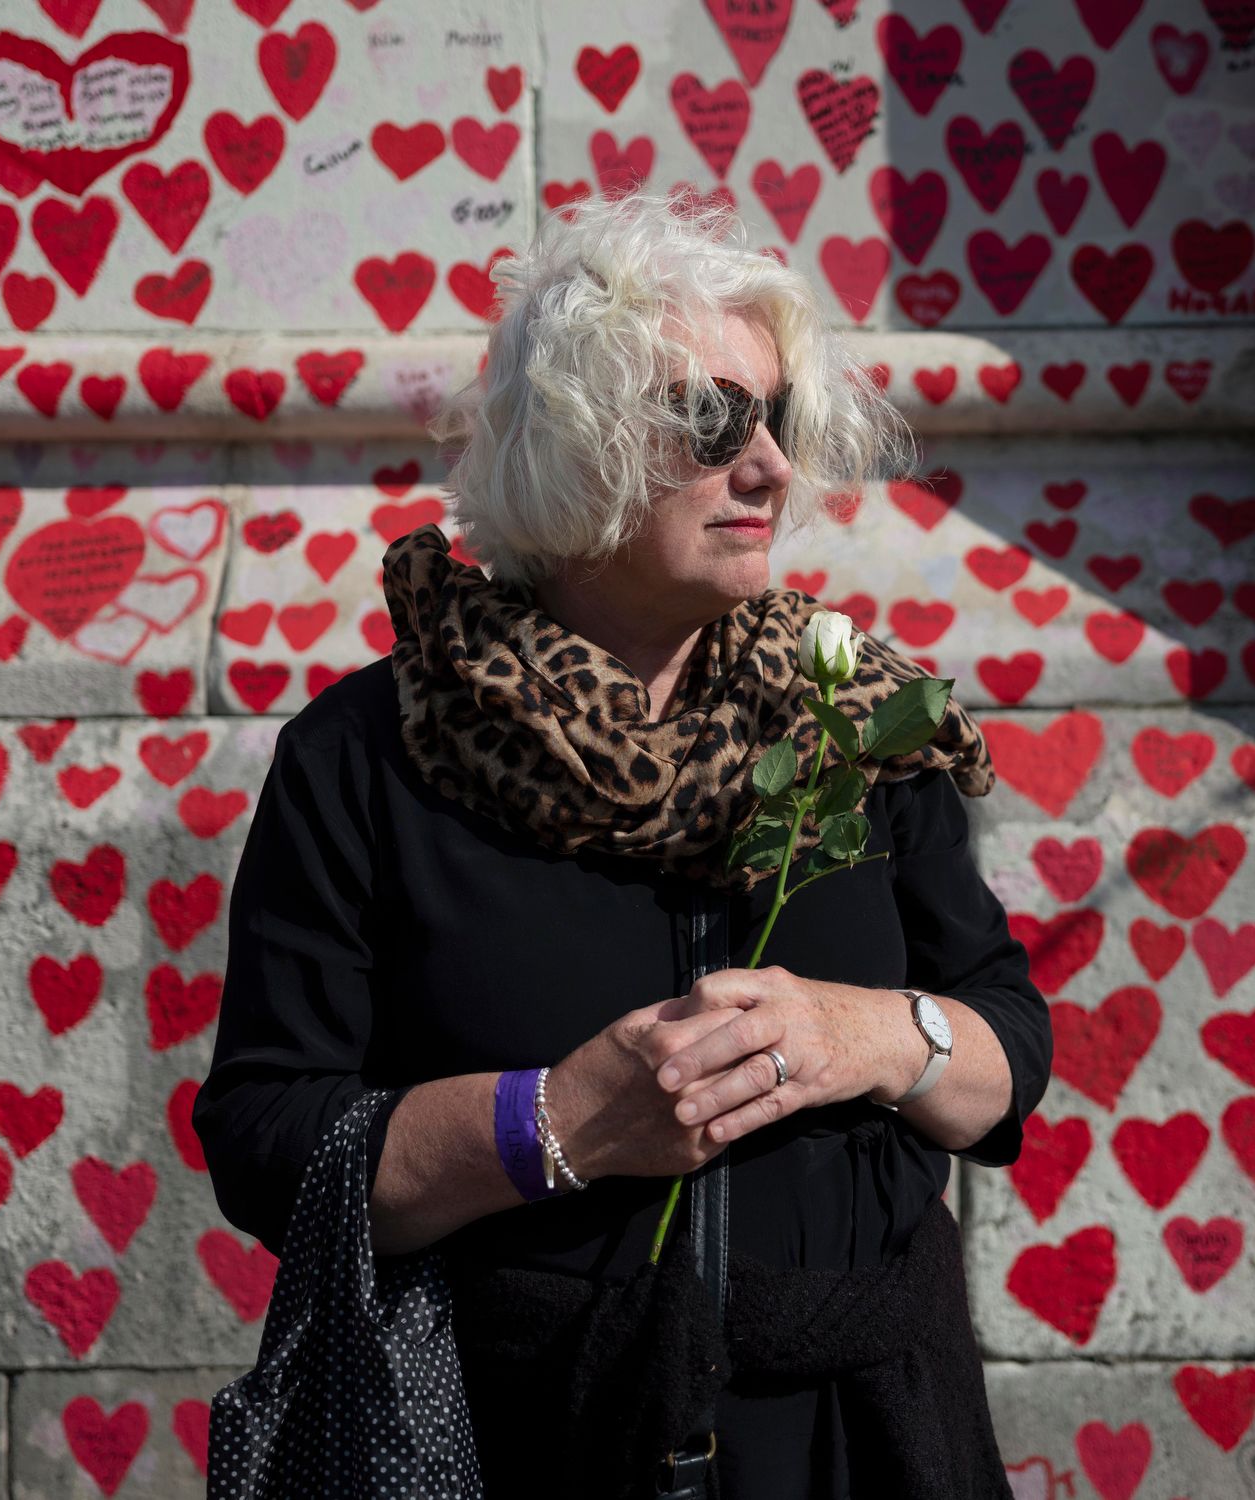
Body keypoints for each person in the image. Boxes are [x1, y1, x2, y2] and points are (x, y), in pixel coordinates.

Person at [194, 188, 1052, 1499]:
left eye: (780, 422)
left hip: (863, 1442)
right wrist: (552, 1124)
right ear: (574, 445)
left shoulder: (861, 717)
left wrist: (870, 1038)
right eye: (711, 422)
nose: (766, 466)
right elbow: (266, 1140)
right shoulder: (370, 754)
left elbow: (1011, 1051)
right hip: (527, 1442)